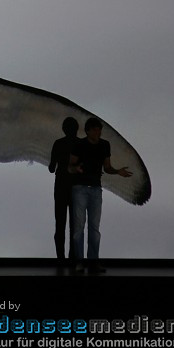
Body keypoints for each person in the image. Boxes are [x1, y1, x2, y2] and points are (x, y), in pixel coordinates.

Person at [70, 117, 133, 274]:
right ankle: (79, 262)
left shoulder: (105, 145)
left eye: (100, 130)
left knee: (94, 227)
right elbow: (69, 166)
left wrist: (118, 171)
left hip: (96, 189)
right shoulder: (79, 144)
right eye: (96, 130)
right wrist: (75, 169)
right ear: (88, 131)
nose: (98, 133)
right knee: (78, 227)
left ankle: (93, 261)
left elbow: (107, 167)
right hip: (79, 188)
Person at [48, 117, 81, 261]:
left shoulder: (58, 143)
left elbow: (51, 168)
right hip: (76, 187)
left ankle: (60, 258)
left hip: (61, 184)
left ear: (64, 129)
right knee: (75, 226)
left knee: (60, 224)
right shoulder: (81, 144)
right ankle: (73, 257)